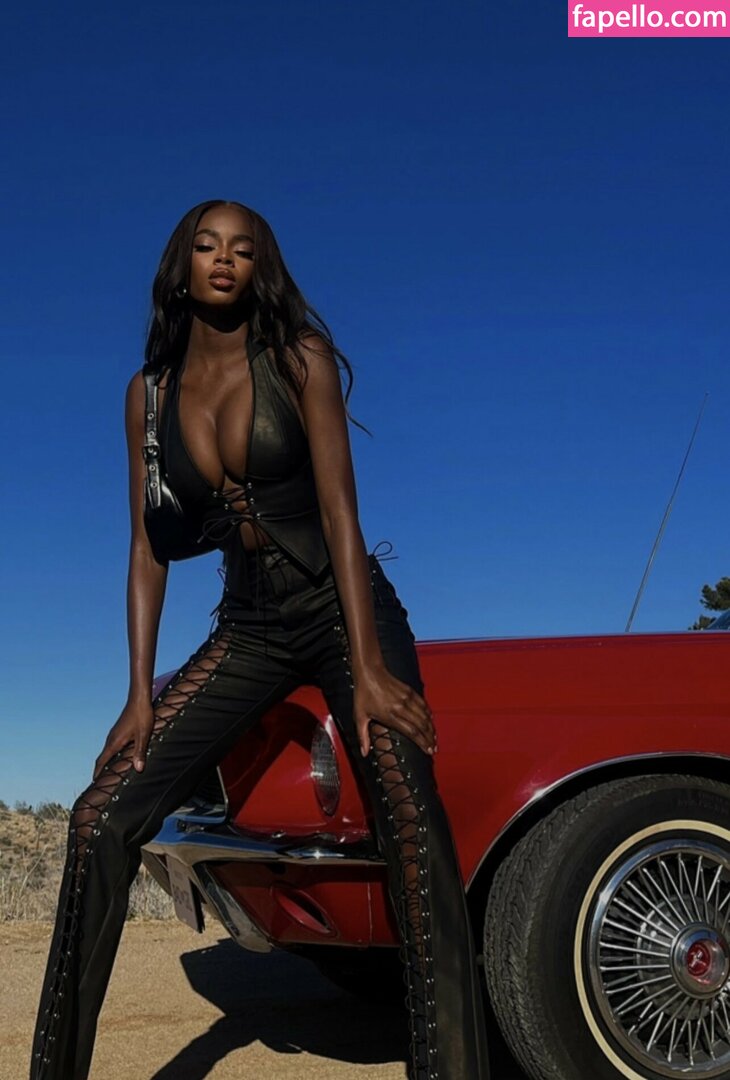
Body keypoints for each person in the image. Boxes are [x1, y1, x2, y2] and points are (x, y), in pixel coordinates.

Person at [29, 199, 490, 1080]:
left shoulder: (297, 358)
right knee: (97, 820)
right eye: (207, 246)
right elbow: (146, 548)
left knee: (409, 820)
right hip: (249, 626)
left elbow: (342, 515)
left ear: (259, 267)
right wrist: (137, 695)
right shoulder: (147, 395)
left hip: (344, 610)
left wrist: (368, 666)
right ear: (182, 267)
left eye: (242, 249)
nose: (224, 260)